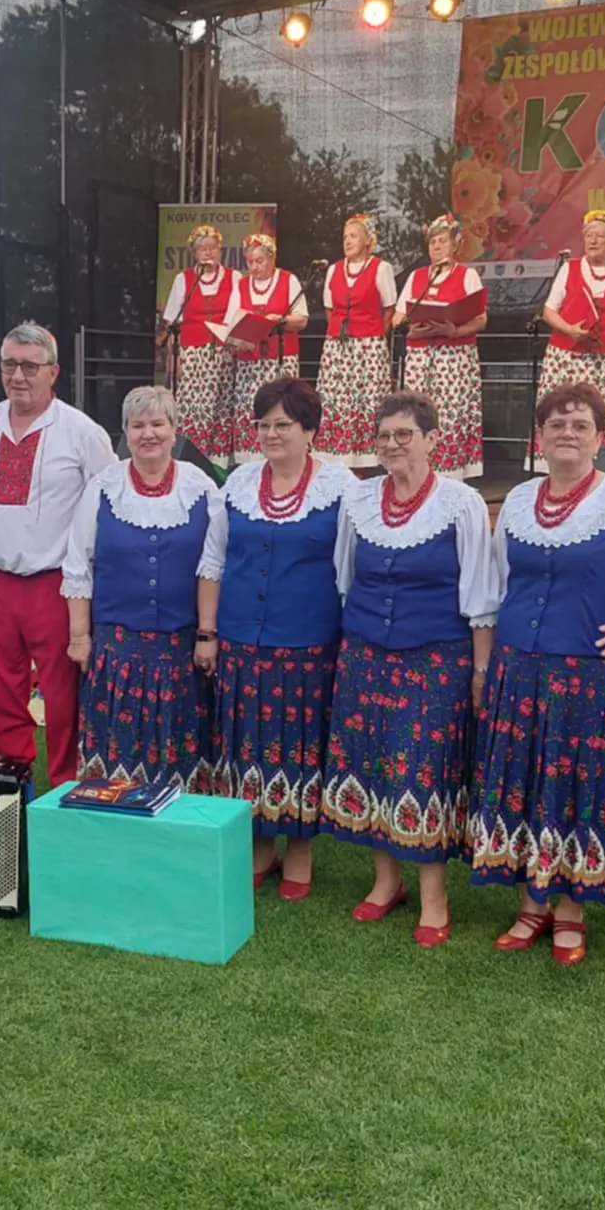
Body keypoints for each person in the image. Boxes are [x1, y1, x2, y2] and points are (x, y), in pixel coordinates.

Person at [469, 382, 605, 963]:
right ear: (539, 437)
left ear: (600, 438)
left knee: (574, 793)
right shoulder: (519, 500)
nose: (568, 433)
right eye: (556, 424)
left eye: (580, 424)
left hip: (587, 680)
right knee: (521, 786)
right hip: (517, 670)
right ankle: (529, 903)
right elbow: (497, 582)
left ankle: (569, 911)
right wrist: (487, 664)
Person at [322, 393, 499, 942]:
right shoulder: (359, 499)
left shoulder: (461, 503)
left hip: (434, 658)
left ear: (431, 439)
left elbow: (481, 594)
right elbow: (345, 575)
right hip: (365, 654)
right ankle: (385, 882)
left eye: (405, 434)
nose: (392, 444)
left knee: (424, 770)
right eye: (384, 435)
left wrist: (479, 671)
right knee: (371, 762)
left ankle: (433, 896)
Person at [213, 377, 357, 898]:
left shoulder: (340, 486)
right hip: (241, 640)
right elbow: (214, 556)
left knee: (299, 746)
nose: (271, 434)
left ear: (310, 430)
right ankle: (259, 846)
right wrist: (209, 631)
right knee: (247, 744)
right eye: (263, 425)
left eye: (283, 425)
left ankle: (299, 851)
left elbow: (350, 567)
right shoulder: (238, 483)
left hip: (307, 642)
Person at [0, 322, 117, 786]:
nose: (18, 376)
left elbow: (105, 506)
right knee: (0, 694)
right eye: (10, 364)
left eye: (30, 366)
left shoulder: (82, 432)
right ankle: (13, 791)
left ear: (54, 371)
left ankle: (65, 790)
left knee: (63, 695)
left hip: (54, 583)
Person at [62, 384, 226, 793]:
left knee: (179, 745)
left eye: (157, 424)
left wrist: (207, 633)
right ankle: (114, 820)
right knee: (117, 748)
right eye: (138, 426)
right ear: (126, 433)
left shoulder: (201, 487)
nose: (148, 433)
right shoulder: (103, 487)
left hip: (179, 649)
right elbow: (78, 563)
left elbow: (212, 564)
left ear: (174, 430)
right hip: (117, 649)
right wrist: (79, 637)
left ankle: (176, 823)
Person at [531, 209, 605, 459]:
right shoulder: (570, 268)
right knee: (561, 410)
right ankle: (554, 460)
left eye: (600, 236)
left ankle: (598, 462)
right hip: (567, 355)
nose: (593, 241)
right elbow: (549, 310)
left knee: (597, 413)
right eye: (589, 236)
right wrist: (569, 329)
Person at [392, 213, 487, 479]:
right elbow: (397, 317)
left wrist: (454, 331)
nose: (436, 246)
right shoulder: (417, 277)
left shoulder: (467, 275)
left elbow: (481, 319)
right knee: (417, 414)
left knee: (450, 414)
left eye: (442, 241)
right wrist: (412, 328)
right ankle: (417, 471)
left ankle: (450, 474)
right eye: (433, 241)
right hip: (420, 356)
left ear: (455, 244)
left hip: (453, 356)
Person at [316, 213, 399, 467]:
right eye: (345, 237)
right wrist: (340, 331)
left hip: (369, 347)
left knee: (367, 401)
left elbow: (389, 309)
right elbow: (329, 308)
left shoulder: (381, 268)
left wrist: (374, 336)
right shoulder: (334, 269)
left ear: (367, 240)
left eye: (353, 236)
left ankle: (368, 462)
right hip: (338, 347)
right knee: (336, 400)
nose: (347, 241)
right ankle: (336, 457)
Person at [157, 224, 240, 464]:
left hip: (223, 354)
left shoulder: (234, 277)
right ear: (194, 253)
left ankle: (220, 462)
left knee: (222, 406)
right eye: (202, 249)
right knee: (194, 407)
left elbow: (238, 315)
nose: (208, 253)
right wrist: (173, 358)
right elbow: (172, 322)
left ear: (219, 250)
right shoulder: (184, 280)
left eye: (212, 248)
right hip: (193, 354)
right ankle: (193, 458)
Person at [224, 233, 308, 460]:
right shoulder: (241, 285)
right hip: (249, 364)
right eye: (250, 262)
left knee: (282, 407)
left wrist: (280, 320)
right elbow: (230, 322)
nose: (254, 267)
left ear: (272, 258)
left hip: (279, 360)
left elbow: (302, 320)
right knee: (250, 408)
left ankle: (285, 455)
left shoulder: (288, 280)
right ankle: (248, 460)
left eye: (259, 261)